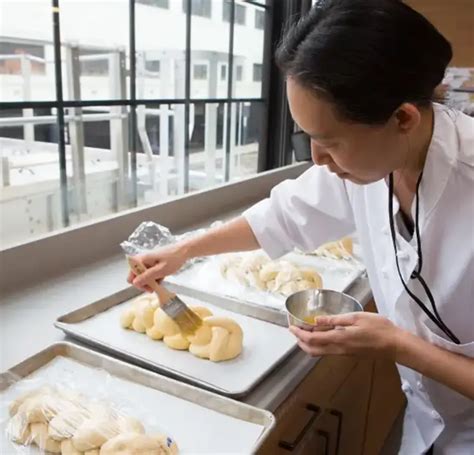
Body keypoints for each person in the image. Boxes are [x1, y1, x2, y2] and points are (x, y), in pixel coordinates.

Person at [128, 1, 474, 453]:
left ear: (403, 118)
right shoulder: (373, 160)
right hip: (428, 421)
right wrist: (185, 250)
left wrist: (399, 345)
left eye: (330, 141)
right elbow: (283, 215)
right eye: (306, 136)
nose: (317, 159)